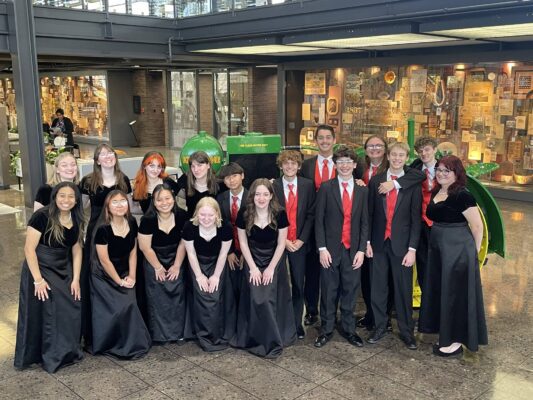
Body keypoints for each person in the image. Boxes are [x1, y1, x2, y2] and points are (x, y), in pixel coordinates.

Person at [419, 155, 487, 357]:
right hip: (439, 249)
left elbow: (477, 226)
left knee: (455, 295)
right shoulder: (437, 191)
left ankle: (456, 340)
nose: (441, 173)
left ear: (457, 174)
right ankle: (446, 334)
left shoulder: (462, 195)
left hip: (457, 251)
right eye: (439, 170)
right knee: (444, 292)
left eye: (446, 171)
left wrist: (472, 254)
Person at [14, 182, 86, 373]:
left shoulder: (77, 218)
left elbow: (77, 250)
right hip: (41, 268)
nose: (66, 200)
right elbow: (29, 249)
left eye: (71, 196)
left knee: (72, 305)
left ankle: (67, 351)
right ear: (55, 196)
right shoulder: (42, 216)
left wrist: (76, 279)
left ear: (76, 199)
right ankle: (50, 355)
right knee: (50, 311)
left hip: (63, 267)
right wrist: (38, 280)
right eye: (62, 195)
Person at [356, 135, 425, 332]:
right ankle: (379, 327)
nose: (396, 158)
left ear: (406, 158)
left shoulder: (411, 182)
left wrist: (412, 248)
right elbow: (369, 213)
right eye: (393, 155)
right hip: (378, 243)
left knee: (403, 290)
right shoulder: (376, 180)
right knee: (378, 289)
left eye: (401, 155)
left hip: (401, 246)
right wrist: (367, 242)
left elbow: (415, 219)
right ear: (389, 155)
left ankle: (406, 331)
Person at [233, 178, 296, 358]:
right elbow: (243, 243)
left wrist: (270, 269)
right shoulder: (244, 213)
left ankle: (274, 337)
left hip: (273, 261)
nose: (261, 198)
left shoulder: (280, 213)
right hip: (252, 259)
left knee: (268, 299)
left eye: (265, 194)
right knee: (255, 298)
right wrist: (252, 268)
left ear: (271, 196)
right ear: (252, 196)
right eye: (258, 194)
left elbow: (281, 243)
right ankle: (254, 337)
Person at [313, 146, 368, 348]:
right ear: (335, 165)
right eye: (340, 162)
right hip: (330, 249)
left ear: (354, 165)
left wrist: (361, 249)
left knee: (350, 290)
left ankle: (349, 329)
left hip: (352, 250)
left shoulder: (363, 190)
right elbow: (318, 221)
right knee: (328, 290)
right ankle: (326, 330)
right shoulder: (326, 188)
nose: (344, 166)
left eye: (348, 162)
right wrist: (321, 248)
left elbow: (364, 222)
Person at [79, 143, 132, 349]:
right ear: (97, 160)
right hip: (96, 231)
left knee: (120, 266)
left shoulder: (123, 179)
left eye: (110, 153)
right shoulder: (88, 181)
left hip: (119, 231)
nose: (108, 156)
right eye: (103, 154)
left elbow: (127, 207)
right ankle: (97, 327)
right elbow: (81, 207)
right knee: (97, 274)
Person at [90, 190, 151, 359]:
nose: (119, 205)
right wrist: (119, 282)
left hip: (124, 269)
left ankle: (133, 342)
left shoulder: (131, 221)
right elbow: (104, 261)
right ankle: (112, 343)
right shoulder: (103, 228)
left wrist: (132, 276)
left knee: (130, 303)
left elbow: (133, 251)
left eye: (123, 201)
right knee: (119, 308)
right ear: (108, 207)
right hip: (104, 275)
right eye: (114, 202)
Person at [182, 197, 235, 351]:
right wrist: (199, 276)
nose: (206, 219)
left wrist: (216, 276)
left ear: (217, 215)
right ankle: (203, 333)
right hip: (197, 264)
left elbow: (223, 254)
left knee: (215, 294)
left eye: (210, 215)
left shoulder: (225, 227)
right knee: (202, 294)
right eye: (202, 215)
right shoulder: (189, 227)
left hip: (217, 264)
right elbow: (190, 254)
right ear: (197, 214)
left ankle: (218, 332)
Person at [273, 150, 315, 340]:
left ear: (299, 167)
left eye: (293, 163)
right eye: (286, 163)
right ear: (281, 166)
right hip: (279, 243)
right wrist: (284, 240)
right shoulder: (273, 186)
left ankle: (297, 323)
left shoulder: (307, 186)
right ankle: (279, 322)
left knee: (299, 284)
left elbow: (311, 214)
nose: (289, 167)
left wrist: (301, 239)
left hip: (299, 243)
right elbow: (269, 215)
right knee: (278, 284)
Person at [138, 183, 188, 343]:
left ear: (173, 199)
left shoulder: (182, 216)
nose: (164, 203)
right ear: (154, 201)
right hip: (154, 259)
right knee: (157, 297)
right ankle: (159, 334)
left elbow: (183, 243)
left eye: (168, 198)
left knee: (178, 294)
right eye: (159, 200)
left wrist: (177, 265)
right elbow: (144, 247)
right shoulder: (148, 219)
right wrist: (158, 267)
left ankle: (178, 332)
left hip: (176, 257)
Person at [299, 124, 337, 327]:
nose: (324, 141)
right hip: (311, 224)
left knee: (333, 271)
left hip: (336, 226)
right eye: (320, 138)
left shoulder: (344, 163)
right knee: (311, 269)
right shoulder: (306, 165)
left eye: (328, 137)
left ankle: (331, 310)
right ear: (316, 142)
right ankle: (311, 310)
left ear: (334, 140)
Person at [216, 162, 248, 307]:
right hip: (228, 247)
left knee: (246, 287)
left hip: (249, 249)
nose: (231, 180)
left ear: (242, 176)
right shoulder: (220, 199)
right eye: (227, 178)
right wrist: (229, 252)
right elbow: (219, 228)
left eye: (235, 176)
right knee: (231, 288)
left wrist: (245, 253)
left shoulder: (253, 198)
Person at [411, 137, 438, 290]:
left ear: (435, 149)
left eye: (427, 149)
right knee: (423, 262)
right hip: (420, 223)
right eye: (420, 151)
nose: (424, 153)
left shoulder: (446, 168)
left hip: (439, 224)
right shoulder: (414, 168)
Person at [177, 151, 219, 218]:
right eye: (193, 166)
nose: (196, 169)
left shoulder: (219, 185)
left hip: (212, 224)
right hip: (191, 225)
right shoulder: (185, 181)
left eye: (199, 165)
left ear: (208, 165)